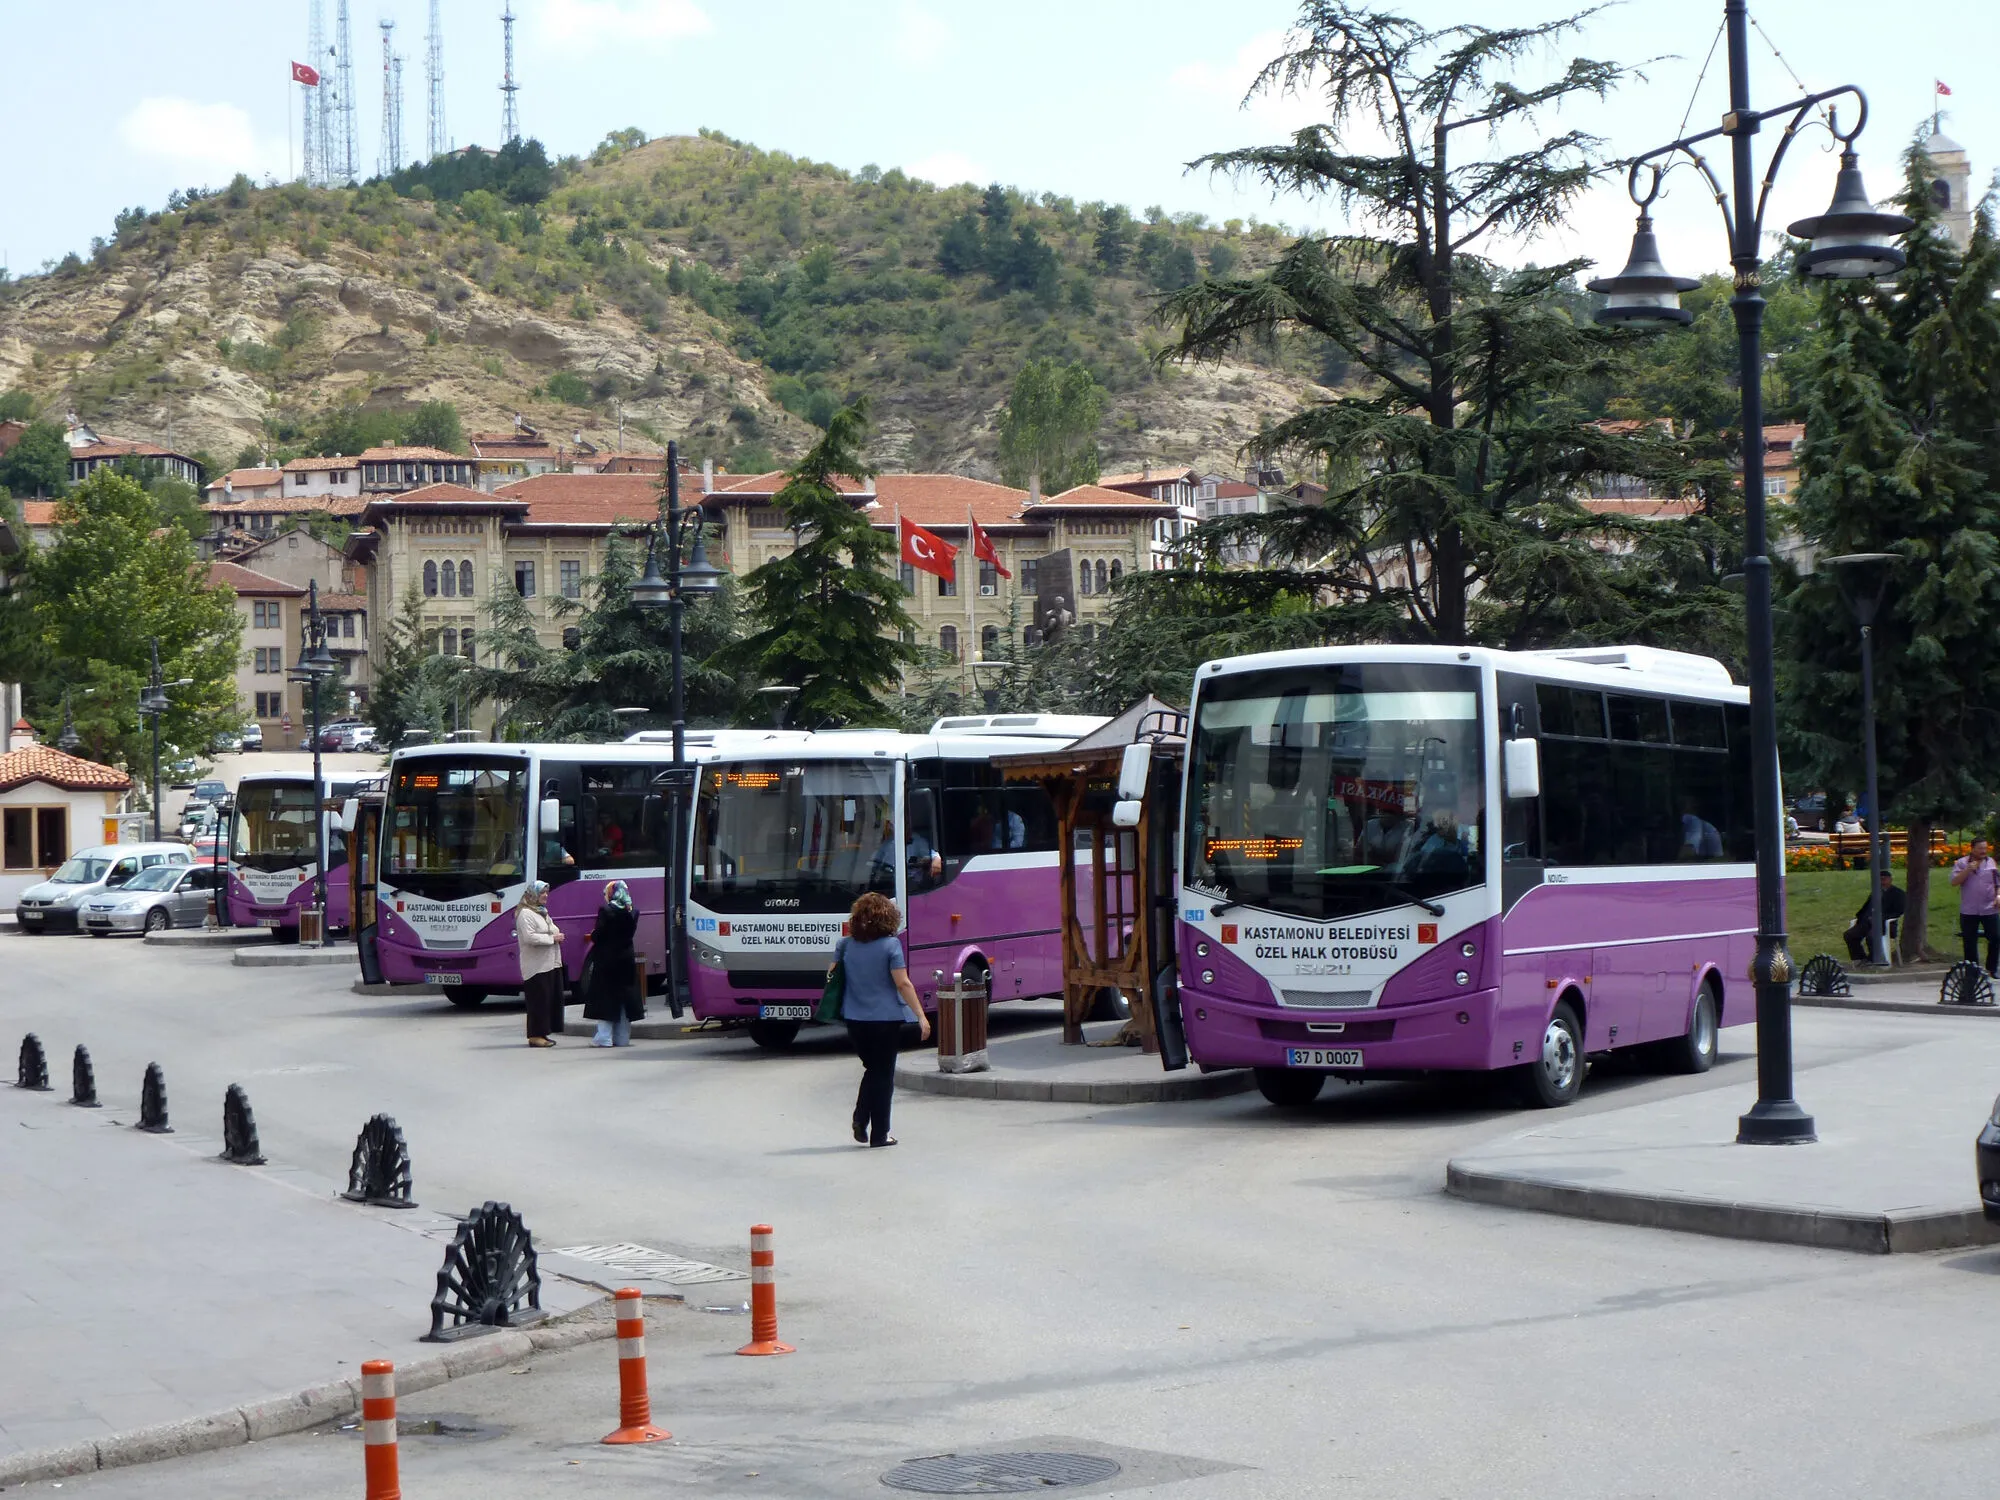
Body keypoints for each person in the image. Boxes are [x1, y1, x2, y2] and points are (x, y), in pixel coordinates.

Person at [832, 891, 929, 1147]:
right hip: (884, 1021)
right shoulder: (891, 945)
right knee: (883, 1075)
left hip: (854, 1020)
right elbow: (903, 983)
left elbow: (832, 976)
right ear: (888, 918)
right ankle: (879, 1133)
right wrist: (921, 1016)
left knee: (873, 1070)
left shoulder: (844, 945)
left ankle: (861, 1120)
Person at [581, 879, 643, 1046]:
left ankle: (604, 1037)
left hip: (607, 960)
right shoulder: (633, 912)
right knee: (625, 999)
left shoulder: (606, 911)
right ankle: (622, 1038)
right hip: (627, 960)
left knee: (606, 998)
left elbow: (598, 935)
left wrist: (593, 934)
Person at [515, 881, 564, 1047]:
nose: (545, 896)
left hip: (549, 963)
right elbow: (530, 937)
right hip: (535, 966)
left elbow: (552, 929)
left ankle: (543, 1033)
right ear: (533, 894)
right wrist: (552, 938)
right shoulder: (525, 914)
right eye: (542, 893)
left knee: (547, 999)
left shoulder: (542, 912)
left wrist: (556, 935)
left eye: (547, 893)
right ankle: (535, 1036)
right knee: (537, 1000)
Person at [1952, 838, 2000, 976]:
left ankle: (1992, 968)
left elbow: (1997, 882)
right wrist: (1967, 870)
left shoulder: (1991, 862)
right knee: (1969, 940)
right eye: (1980, 848)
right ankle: (1972, 970)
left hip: (1989, 908)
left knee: (1996, 937)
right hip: (1969, 909)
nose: (1983, 851)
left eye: (1985, 848)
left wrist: (1998, 896)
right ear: (1972, 849)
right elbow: (1954, 882)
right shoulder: (1962, 863)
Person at [1844, 868, 1907, 963]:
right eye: (1880, 879)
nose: (1882, 882)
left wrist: (1880, 918)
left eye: (1884, 879)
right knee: (1849, 935)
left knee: (1872, 936)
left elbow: (1898, 911)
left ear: (1890, 880)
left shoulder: (1898, 894)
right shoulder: (1875, 893)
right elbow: (1867, 908)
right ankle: (1860, 958)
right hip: (1867, 923)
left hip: (1884, 924)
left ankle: (1874, 959)